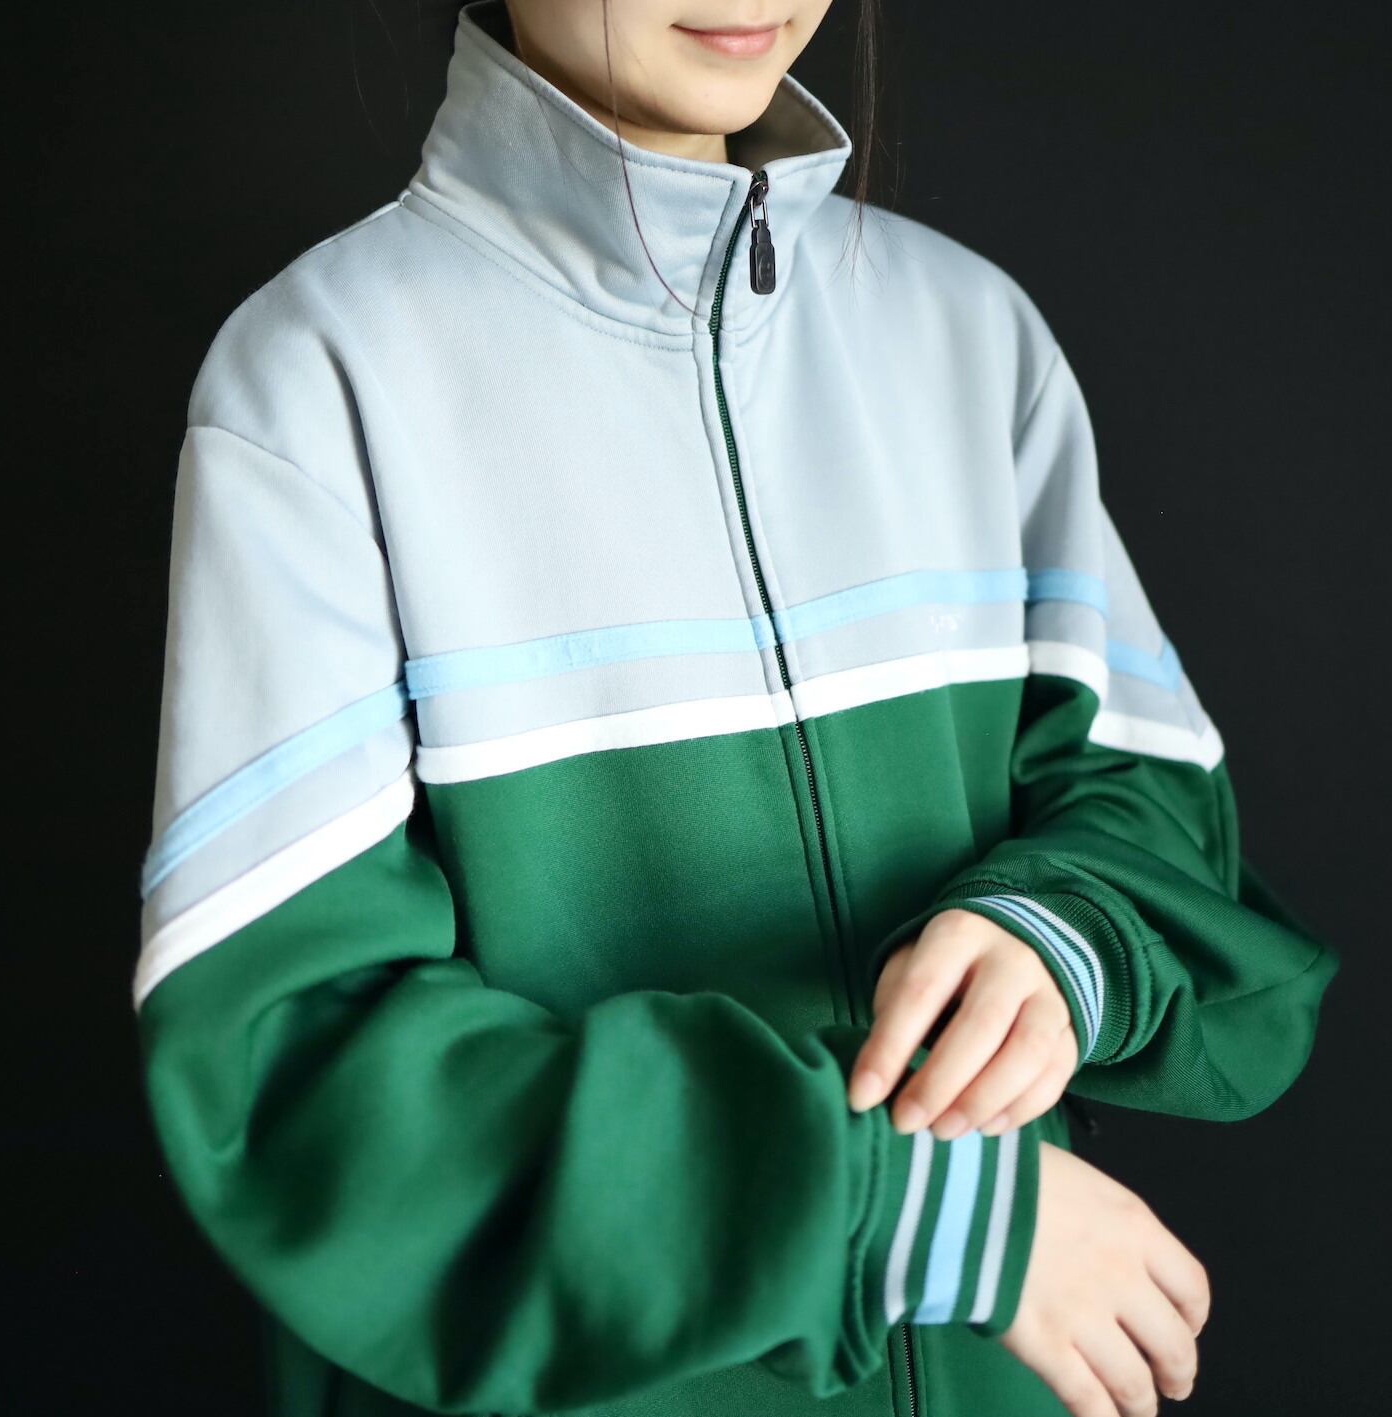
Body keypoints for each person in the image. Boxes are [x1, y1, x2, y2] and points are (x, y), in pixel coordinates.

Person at [132, 3, 1340, 1416]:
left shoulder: (970, 335)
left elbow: (1154, 809)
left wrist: (1056, 936)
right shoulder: (316, 381)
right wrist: (912, 1208)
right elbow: (300, 1066)